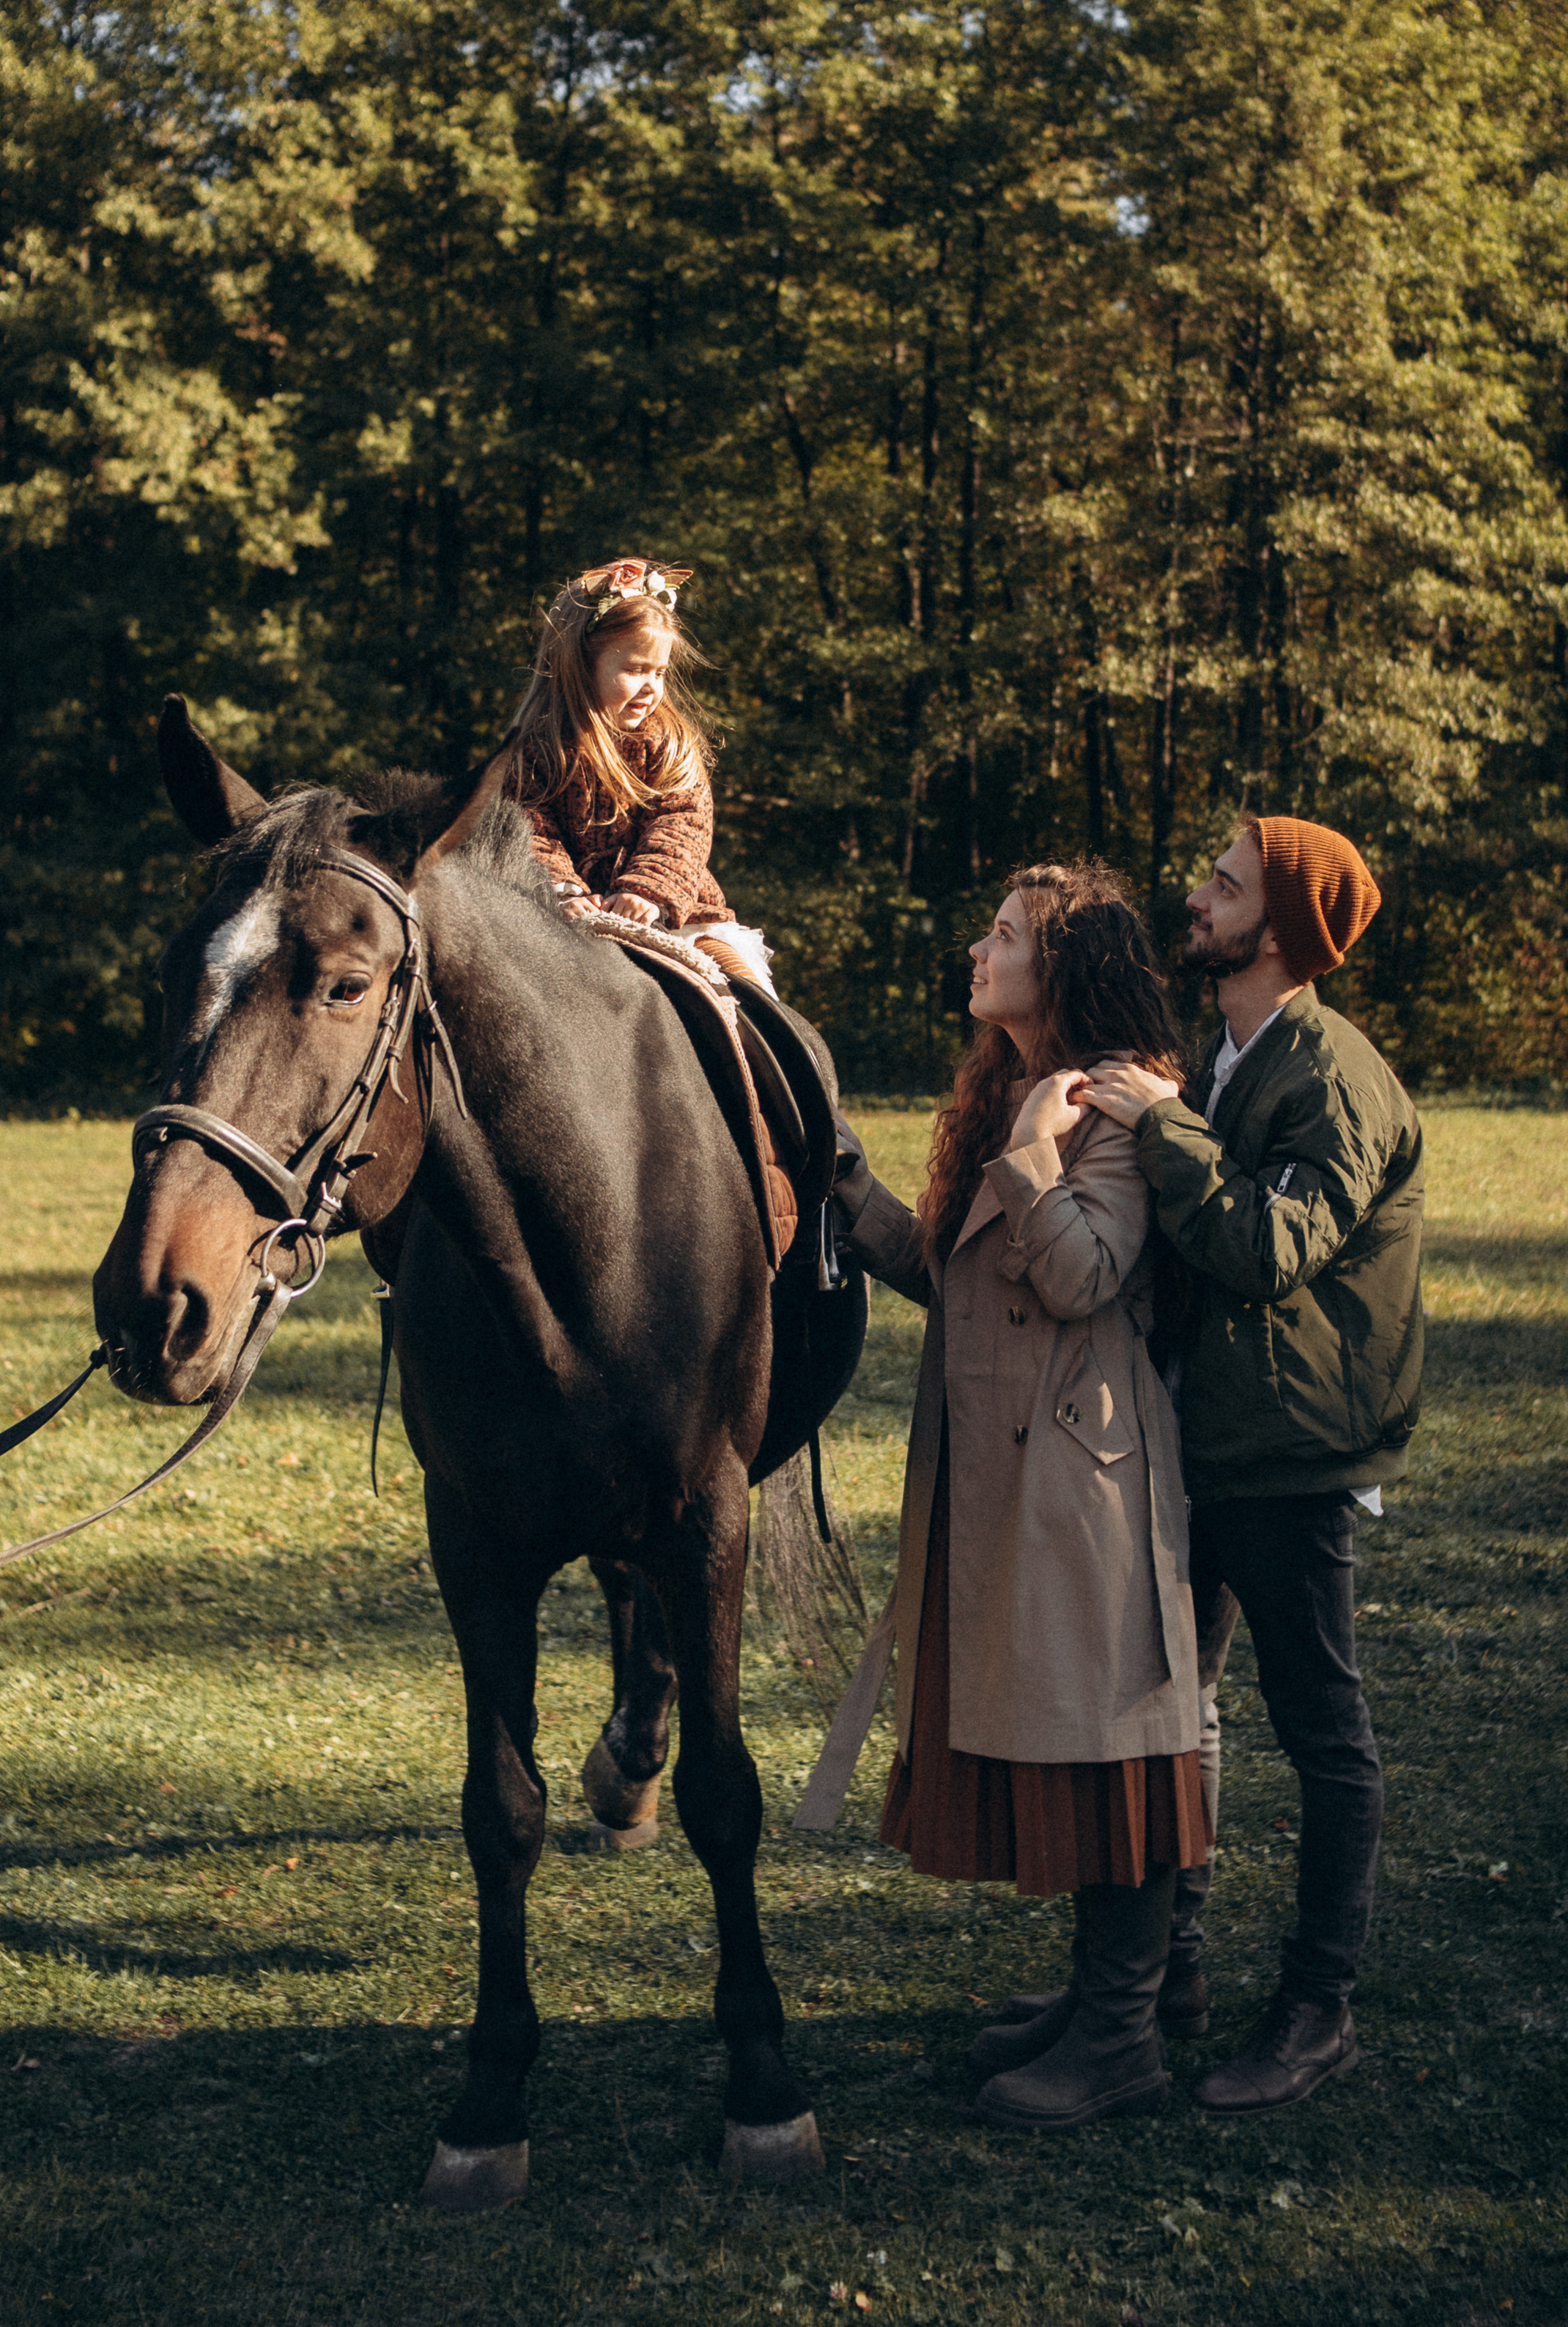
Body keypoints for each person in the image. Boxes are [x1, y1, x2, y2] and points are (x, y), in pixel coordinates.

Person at [807, 864, 1210, 2132]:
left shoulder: (1125, 1105)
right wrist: (847, 1187)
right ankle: (1104, 2002)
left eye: (1006, 935)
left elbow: (1085, 1274)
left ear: (1066, 967)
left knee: (1122, 1747)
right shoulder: (1019, 1092)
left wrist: (1037, 1149)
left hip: (1091, 1481)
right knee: (1085, 1737)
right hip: (1014, 1470)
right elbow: (958, 1276)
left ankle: (1123, 2042)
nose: (979, 948)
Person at [1080, 813, 1424, 2117]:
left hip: (1292, 1454)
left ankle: (1316, 2008)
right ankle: (1165, 1981)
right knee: (1181, 1714)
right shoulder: (1231, 1051)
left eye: (1223, 885)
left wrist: (1165, 1127)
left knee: (1324, 1731)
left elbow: (1270, 1250)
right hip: (1209, 1437)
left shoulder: (1331, 1078)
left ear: (1276, 929)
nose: (1197, 894)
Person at [509, 558, 774, 988]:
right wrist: (563, 892)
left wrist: (647, 889)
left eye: (660, 672)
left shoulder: (669, 744)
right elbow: (530, 830)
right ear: (581, 664)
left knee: (752, 1001)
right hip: (567, 919)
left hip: (677, 919)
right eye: (634, 670)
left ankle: (781, 1057)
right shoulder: (538, 751)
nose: (652, 687)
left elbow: (683, 824)